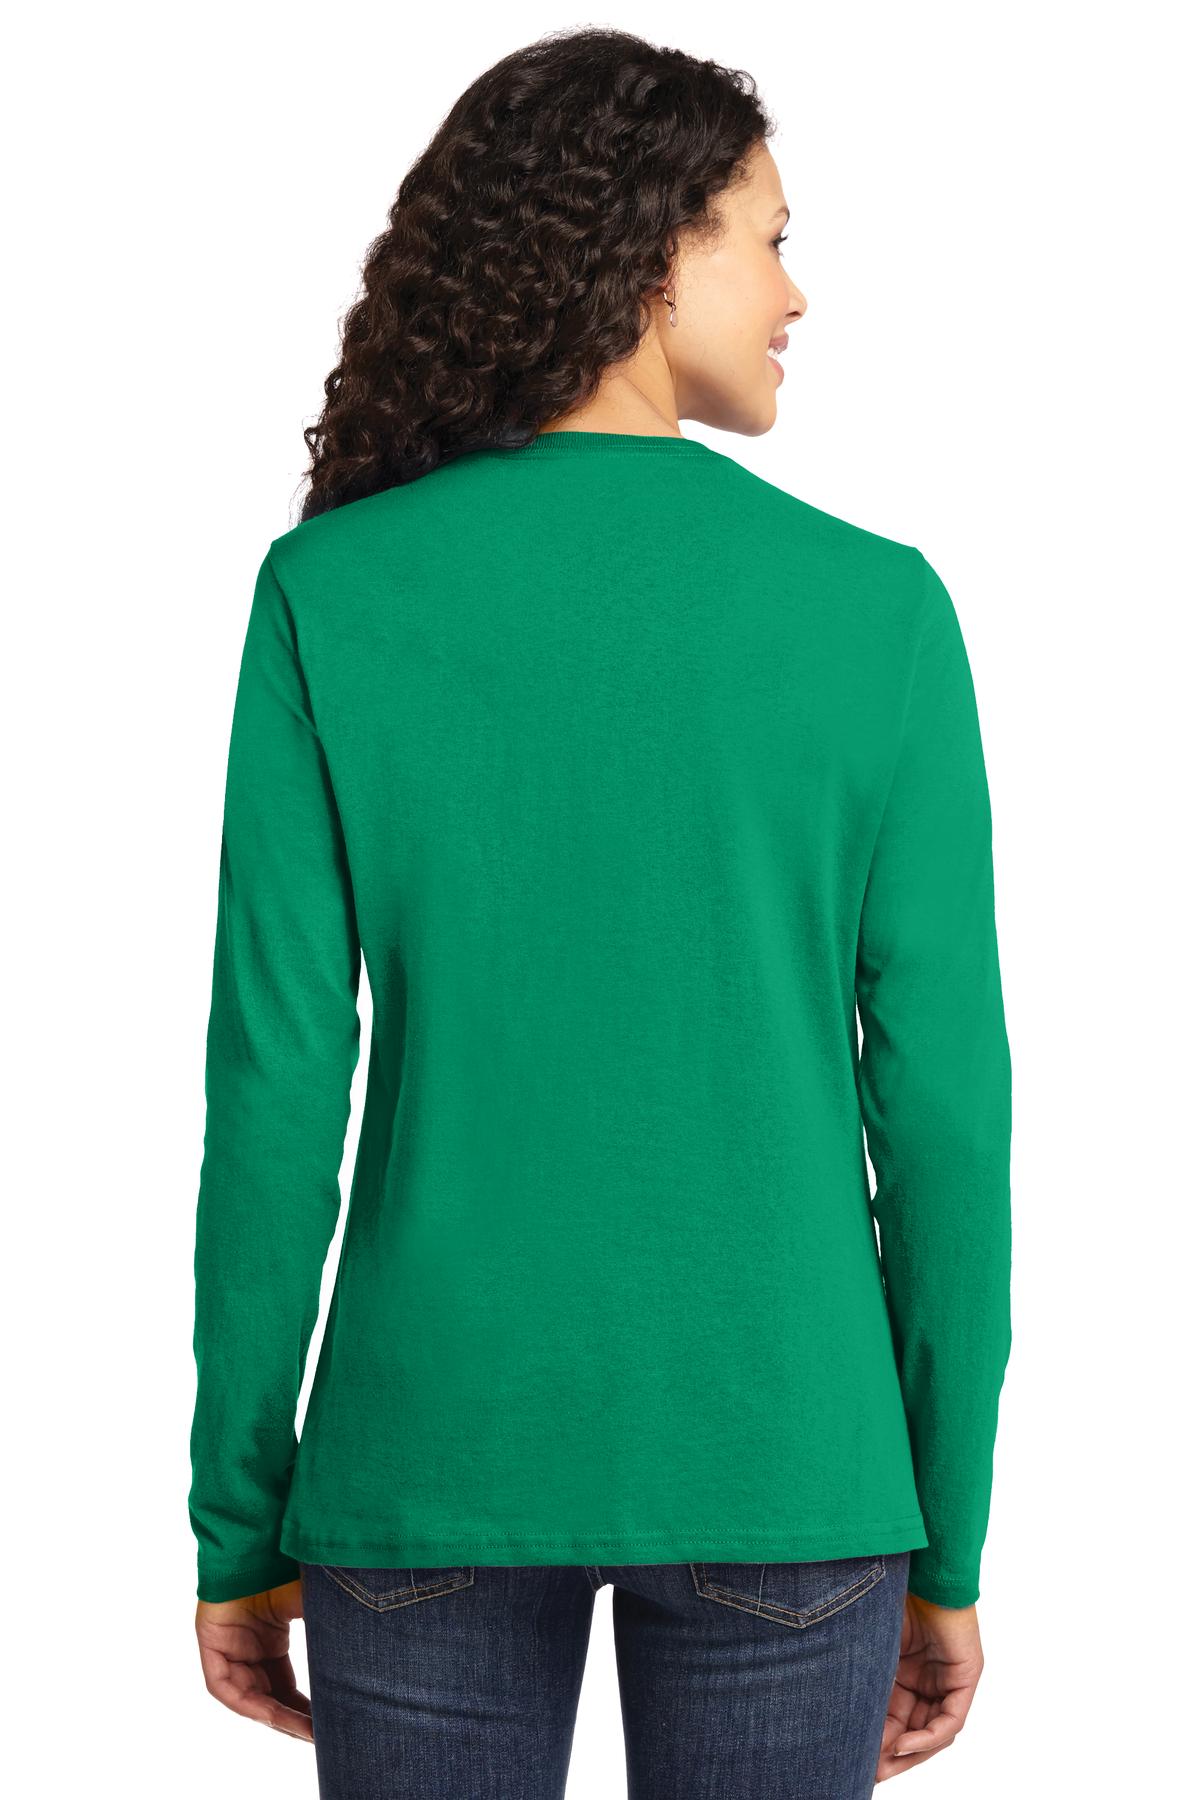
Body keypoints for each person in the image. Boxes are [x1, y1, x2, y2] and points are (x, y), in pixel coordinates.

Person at [189, 28, 1012, 1799]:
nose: (797, 293)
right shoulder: (878, 613)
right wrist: (946, 1538)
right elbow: (947, 1120)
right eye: (769, 239)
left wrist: (236, 1521)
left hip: (428, 1457)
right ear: (649, 253)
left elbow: (271, 1097)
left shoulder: (333, 592)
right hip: (791, 1460)